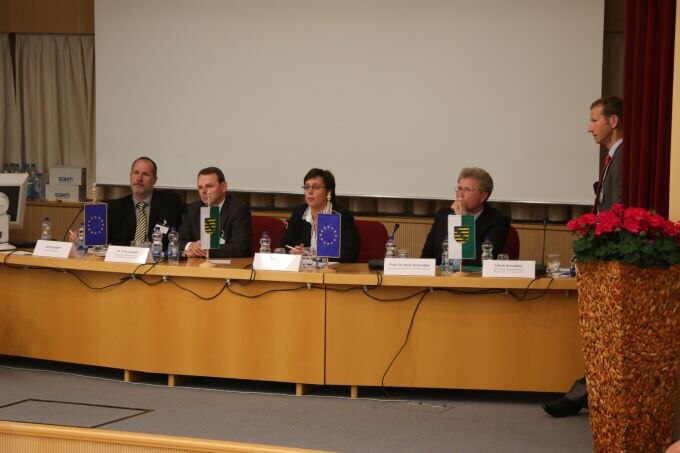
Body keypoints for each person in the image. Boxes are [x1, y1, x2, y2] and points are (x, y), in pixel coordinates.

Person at [542, 96, 624, 418]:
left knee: (607, 338)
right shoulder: (613, 157)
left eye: (594, 120)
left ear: (612, 121)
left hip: (612, 260)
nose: (589, 128)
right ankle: (588, 391)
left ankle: (588, 392)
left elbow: (617, 210)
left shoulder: (624, 157)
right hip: (602, 256)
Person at [421, 167, 509, 267]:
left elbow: (477, 263)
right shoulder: (443, 215)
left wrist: (462, 221)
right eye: (459, 189)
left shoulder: (498, 220)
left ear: (483, 196)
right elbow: (426, 257)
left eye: (467, 189)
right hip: (441, 278)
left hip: (474, 280)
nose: (460, 195)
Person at [280, 168, 360, 263]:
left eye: (316, 187)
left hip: (331, 274)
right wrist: (293, 252)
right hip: (303, 272)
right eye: (307, 187)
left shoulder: (341, 216)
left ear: (328, 192)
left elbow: (349, 255)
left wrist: (312, 256)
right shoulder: (299, 213)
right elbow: (283, 247)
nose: (310, 191)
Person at [107, 157, 185, 246]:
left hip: (157, 257)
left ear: (154, 180)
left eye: (145, 174)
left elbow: (179, 238)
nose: (139, 179)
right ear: (130, 176)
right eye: (136, 173)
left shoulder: (170, 204)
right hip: (124, 257)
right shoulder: (115, 208)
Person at [178, 166, 251, 258]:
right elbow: (177, 240)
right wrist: (191, 246)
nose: (203, 191)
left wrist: (204, 249)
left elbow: (239, 248)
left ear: (223, 187)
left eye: (209, 186)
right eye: (200, 187)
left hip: (228, 267)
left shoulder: (238, 209)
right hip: (197, 266)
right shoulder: (193, 209)